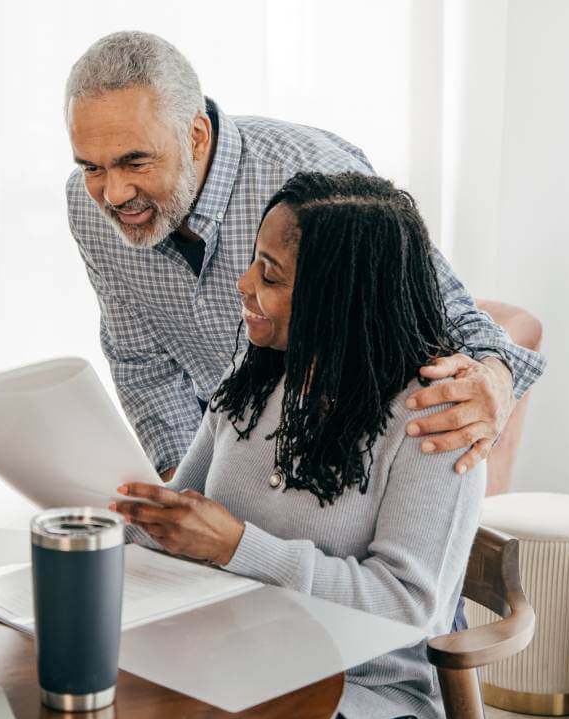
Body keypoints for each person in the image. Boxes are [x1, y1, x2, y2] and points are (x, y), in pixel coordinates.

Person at [56, 172, 485, 719]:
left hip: (368, 704)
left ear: (340, 297)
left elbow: (409, 602)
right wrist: (105, 507)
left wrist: (236, 545)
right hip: (231, 672)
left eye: (272, 274)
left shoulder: (431, 421)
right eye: (254, 259)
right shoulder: (256, 377)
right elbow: (177, 516)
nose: (244, 283)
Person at [64, 31, 544, 484]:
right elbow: (144, 364)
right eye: (91, 166)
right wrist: (187, 494)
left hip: (355, 460)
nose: (114, 192)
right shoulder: (88, 206)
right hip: (236, 455)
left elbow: (444, 312)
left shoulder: (312, 175)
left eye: (135, 162)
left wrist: (497, 376)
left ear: (195, 136)